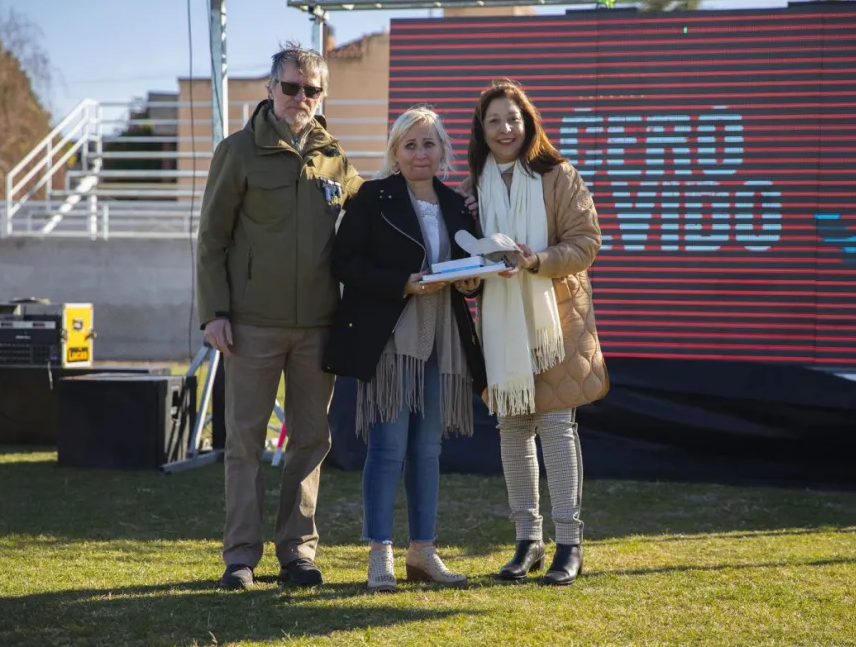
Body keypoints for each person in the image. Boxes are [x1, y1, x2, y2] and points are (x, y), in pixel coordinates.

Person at [197, 42, 363, 590]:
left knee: (312, 440)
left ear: (322, 95)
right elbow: (212, 241)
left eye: (311, 89)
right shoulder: (237, 152)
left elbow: (378, 210)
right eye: (290, 87)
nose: (300, 98)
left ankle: (297, 553)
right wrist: (215, 313)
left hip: (319, 325)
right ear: (270, 90)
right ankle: (240, 558)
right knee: (245, 443)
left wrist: (444, 201)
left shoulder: (334, 157)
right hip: (250, 325)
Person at [322, 106, 487, 592]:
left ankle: (423, 554)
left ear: (443, 151)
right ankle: (380, 555)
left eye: (429, 144)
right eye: (410, 145)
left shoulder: (458, 205)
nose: (420, 153)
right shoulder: (373, 197)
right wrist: (401, 284)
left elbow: (470, 275)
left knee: (428, 450)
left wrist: (474, 280)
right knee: (388, 447)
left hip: (445, 341)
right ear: (395, 151)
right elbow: (343, 263)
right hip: (391, 341)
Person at [461, 79, 609, 586]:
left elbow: (586, 242)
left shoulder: (558, 174)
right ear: (482, 130)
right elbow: (465, 267)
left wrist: (536, 260)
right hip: (500, 324)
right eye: (494, 120)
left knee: (556, 428)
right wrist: (475, 270)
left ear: (529, 123)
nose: (505, 129)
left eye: (513, 118)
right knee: (512, 430)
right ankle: (528, 542)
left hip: (557, 321)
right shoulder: (472, 186)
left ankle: (570, 545)